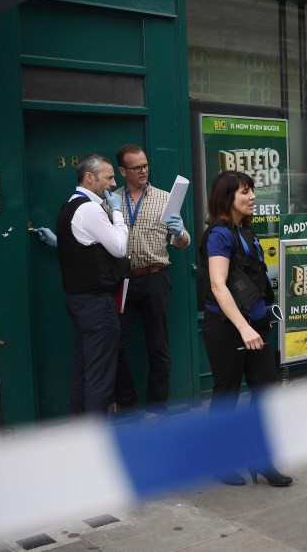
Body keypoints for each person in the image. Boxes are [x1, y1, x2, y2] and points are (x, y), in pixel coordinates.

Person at [197, 170, 291, 487]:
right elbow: (218, 285)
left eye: (252, 190)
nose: (252, 197)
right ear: (227, 199)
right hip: (227, 328)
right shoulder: (219, 234)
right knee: (226, 395)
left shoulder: (247, 232)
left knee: (264, 391)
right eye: (244, 192)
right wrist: (243, 328)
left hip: (256, 324)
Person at [112, 144, 189, 415]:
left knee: (158, 346)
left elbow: (182, 242)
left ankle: (157, 407)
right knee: (114, 344)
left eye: (145, 165)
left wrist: (179, 234)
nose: (144, 170)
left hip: (155, 278)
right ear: (122, 171)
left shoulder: (165, 198)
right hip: (122, 281)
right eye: (137, 167)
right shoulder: (111, 200)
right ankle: (128, 404)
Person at [55, 154, 130, 414]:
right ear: (90, 177)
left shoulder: (68, 206)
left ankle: (80, 433)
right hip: (97, 304)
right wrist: (118, 212)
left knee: (83, 368)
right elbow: (120, 248)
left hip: (77, 300)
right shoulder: (89, 208)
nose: (112, 184)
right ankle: (95, 436)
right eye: (108, 178)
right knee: (99, 374)